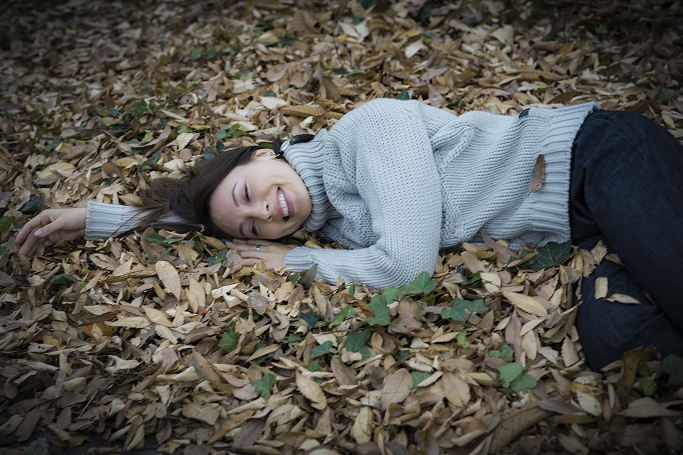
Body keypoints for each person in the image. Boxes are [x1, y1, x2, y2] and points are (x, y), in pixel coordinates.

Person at [16, 98, 683, 370]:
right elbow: (200, 221)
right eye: (253, 225)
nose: (266, 213)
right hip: (583, 233)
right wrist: (95, 218)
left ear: (264, 153)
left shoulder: (368, 131)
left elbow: (406, 266)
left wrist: (290, 262)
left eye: (251, 193)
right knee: (618, 345)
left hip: (599, 158)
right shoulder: (327, 215)